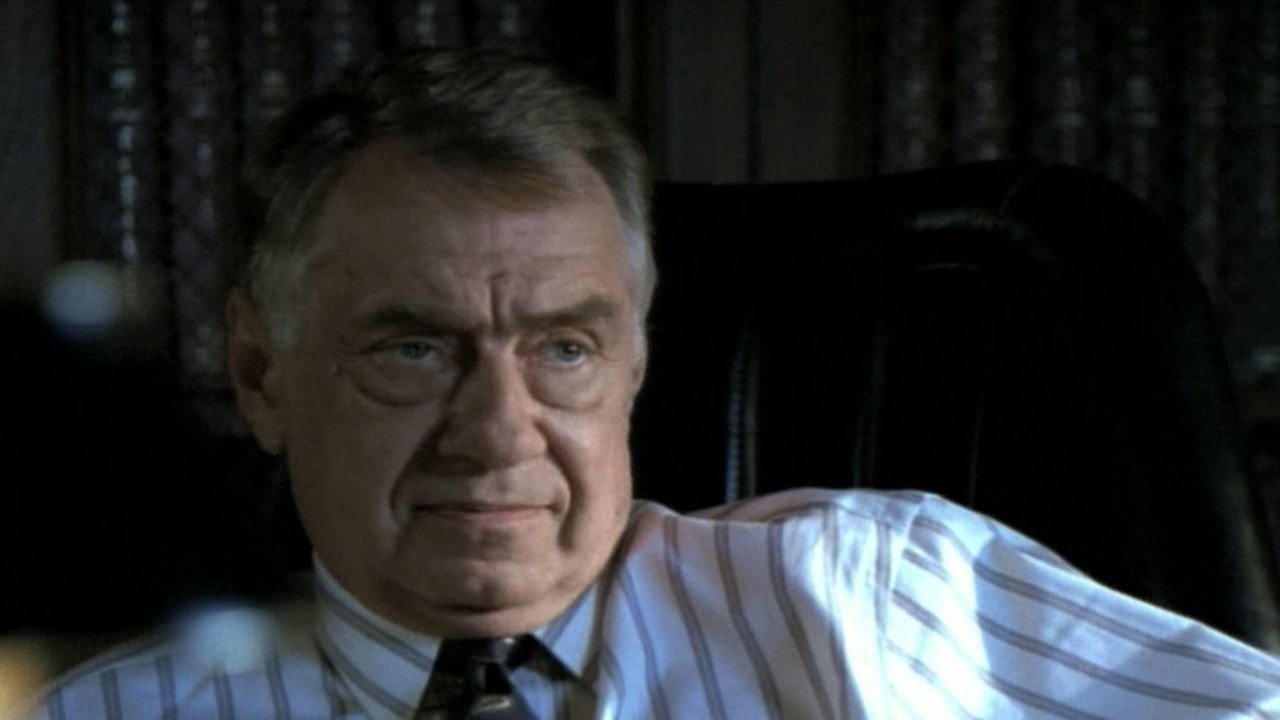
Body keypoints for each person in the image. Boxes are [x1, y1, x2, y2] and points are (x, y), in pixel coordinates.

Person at [37, 47, 1280, 719]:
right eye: (413, 349)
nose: (498, 432)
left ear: (632, 362)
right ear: (260, 374)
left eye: (562, 350)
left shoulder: (871, 597)